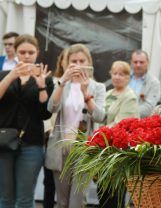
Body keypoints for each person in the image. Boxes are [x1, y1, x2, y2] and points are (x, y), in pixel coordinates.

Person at [45, 43, 106, 208]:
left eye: (82, 60)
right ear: (66, 63)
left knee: (77, 202)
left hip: (84, 148)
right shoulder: (61, 84)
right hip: (61, 147)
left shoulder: (97, 87)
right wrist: (62, 82)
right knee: (62, 201)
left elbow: (100, 116)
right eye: (74, 61)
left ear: (89, 62)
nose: (78, 65)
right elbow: (51, 108)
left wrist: (86, 94)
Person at [0, 34, 54, 207]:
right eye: (22, 52)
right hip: (4, 142)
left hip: (32, 142)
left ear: (37, 53)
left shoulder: (45, 77)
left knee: (25, 198)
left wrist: (41, 86)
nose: (27, 55)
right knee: (5, 196)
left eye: (31, 52)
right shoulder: (4, 75)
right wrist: (11, 76)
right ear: (15, 53)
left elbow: (45, 113)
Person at [97, 60, 139, 208]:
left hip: (118, 152)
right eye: (114, 73)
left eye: (121, 74)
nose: (117, 77)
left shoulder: (130, 97)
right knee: (102, 193)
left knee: (114, 196)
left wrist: (99, 133)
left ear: (128, 77)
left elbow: (121, 124)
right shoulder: (108, 94)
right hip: (103, 149)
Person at [43, 48, 69, 208]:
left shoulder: (85, 85)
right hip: (51, 137)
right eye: (67, 60)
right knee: (49, 182)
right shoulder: (53, 82)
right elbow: (46, 108)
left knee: (65, 190)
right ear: (61, 61)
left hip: (70, 142)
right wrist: (48, 129)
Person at [129, 50, 161, 118]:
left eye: (141, 62)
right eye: (135, 62)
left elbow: (149, 107)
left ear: (148, 63)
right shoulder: (124, 78)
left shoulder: (154, 83)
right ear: (131, 63)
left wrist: (127, 115)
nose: (138, 65)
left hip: (140, 123)